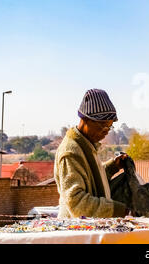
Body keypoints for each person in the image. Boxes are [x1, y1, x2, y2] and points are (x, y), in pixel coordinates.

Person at [54, 89, 130, 218]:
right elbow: (77, 203)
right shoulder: (71, 152)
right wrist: (118, 210)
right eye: (102, 126)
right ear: (85, 119)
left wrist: (113, 166)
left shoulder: (87, 146)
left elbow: (91, 181)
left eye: (109, 126)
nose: (106, 131)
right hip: (75, 232)